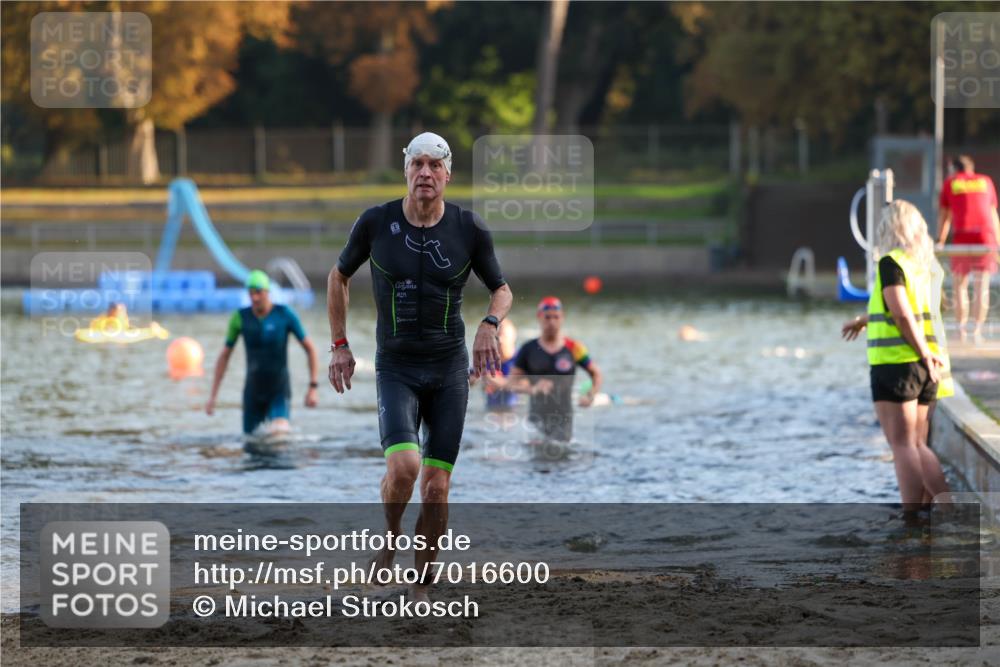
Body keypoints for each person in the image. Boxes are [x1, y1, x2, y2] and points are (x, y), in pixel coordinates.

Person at [326, 132, 512, 602]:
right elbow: (338, 276)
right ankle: (389, 540)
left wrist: (491, 322)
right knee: (406, 467)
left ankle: (423, 584)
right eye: (417, 165)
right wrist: (340, 345)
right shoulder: (375, 222)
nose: (425, 173)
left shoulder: (470, 228)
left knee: (436, 487)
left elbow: (502, 288)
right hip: (397, 367)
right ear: (405, 170)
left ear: (448, 174)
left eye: (435, 165)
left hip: (449, 368)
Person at [844, 200, 950, 510]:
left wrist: (922, 354)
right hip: (929, 364)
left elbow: (902, 314)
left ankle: (911, 520)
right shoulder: (928, 266)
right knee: (918, 443)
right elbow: (912, 308)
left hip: (898, 364)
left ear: (889, 229)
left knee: (902, 445)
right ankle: (948, 510)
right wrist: (866, 320)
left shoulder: (891, 262)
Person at [206, 270, 319, 437]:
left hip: (279, 390)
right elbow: (224, 356)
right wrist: (213, 397)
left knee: (279, 438)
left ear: (268, 292)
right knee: (251, 444)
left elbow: (310, 349)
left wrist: (313, 387)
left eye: (258, 292)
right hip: (252, 392)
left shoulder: (284, 314)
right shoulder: (239, 317)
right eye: (250, 293)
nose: (254, 298)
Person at [505, 296, 603, 443]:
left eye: (556, 317)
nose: (551, 322)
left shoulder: (574, 348)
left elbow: (596, 373)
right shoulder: (528, 349)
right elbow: (511, 383)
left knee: (562, 459)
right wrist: (534, 388)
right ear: (539, 318)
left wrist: (590, 395)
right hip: (536, 419)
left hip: (564, 418)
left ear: (562, 318)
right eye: (547, 317)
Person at [936, 155, 1000, 343]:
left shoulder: (951, 182)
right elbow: (992, 215)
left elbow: (944, 217)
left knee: (960, 285)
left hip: (963, 236)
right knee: (982, 287)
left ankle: (961, 331)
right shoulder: (986, 181)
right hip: (986, 237)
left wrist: (940, 240)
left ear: (954, 169)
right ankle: (977, 332)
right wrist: (997, 243)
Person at [473, 318, 520, 413]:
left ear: (513, 337)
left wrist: (495, 381)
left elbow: (526, 385)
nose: (501, 341)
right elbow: (468, 378)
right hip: (490, 412)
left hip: (514, 412)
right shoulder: (485, 359)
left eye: (504, 336)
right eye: (497, 337)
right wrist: (475, 379)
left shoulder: (520, 360)